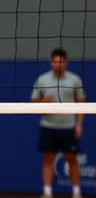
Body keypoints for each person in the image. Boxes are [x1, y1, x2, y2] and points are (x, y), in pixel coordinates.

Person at [31, 48, 86, 198]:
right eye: (55, 61)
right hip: (49, 126)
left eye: (61, 61)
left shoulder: (75, 80)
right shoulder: (42, 79)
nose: (58, 64)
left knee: (72, 160)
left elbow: (82, 103)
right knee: (48, 159)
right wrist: (44, 101)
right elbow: (33, 103)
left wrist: (79, 124)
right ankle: (47, 192)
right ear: (51, 62)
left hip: (68, 127)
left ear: (65, 62)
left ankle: (76, 192)